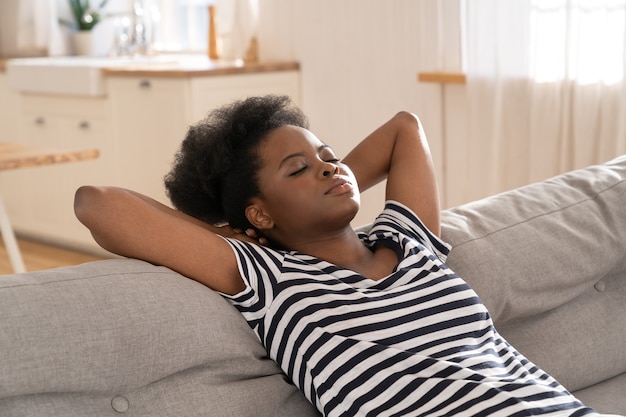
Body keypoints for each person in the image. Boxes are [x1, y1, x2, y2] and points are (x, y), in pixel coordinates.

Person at [74, 95, 600, 417]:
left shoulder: (407, 240)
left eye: (329, 157)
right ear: (257, 216)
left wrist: (314, 178)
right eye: (298, 169)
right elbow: (97, 205)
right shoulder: (267, 276)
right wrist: (237, 234)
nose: (331, 168)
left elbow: (403, 128)